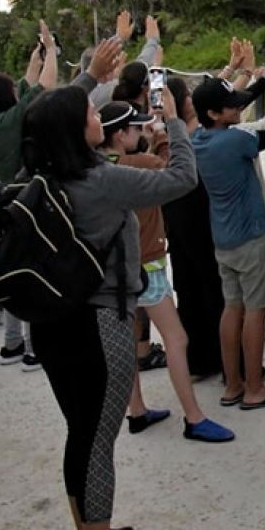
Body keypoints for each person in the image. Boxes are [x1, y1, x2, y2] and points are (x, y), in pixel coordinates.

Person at [22, 72, 197, 530]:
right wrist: (179, 125)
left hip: (51, 324)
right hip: (100, 325)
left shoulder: (37, 177)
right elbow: (182, 178)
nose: (99, 116)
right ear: (77, 131)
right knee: (100, 444)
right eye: (92, 114)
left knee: (79, 436)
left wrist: (83, 78)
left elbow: (35, 109)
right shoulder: (102, 181)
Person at [95, 101, 234, 444]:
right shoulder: (139, 164)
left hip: (113, 270)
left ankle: (137, 410)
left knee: (128, 338)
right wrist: (169, 127)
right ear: (119, 134)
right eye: (135, 128)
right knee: (176, 338)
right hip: (148, 262)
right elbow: (178, 173)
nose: (141, 131)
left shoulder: (97, 167)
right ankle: (194, 416)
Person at [191, 50, 265, 411]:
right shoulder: (234, 141)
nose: (237, 109)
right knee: (257, 311)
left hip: (224, 238)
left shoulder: (199, 139)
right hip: (252, 237)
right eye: (230, 107)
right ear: (214, 114)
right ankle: (254, 387)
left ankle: (233, 382)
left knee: (232, 308)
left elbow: (236, 107)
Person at [0, 19, 61, 369]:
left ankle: (11, 345)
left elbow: (27, 83)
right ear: (6, 98)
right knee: (33, 270)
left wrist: (37, 55)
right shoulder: (17, 117)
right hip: (24, 201)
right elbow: (45, 86)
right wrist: (51, 51)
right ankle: (34, 349)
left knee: (11, 269)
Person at [160, 76, 226, 379]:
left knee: (188, 286)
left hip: (176, 215)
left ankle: (199, 360)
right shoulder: (182, 135)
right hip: (194, 213)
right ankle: (216, 356)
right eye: (186, 94)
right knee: (208, 285)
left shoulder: (164, 134)